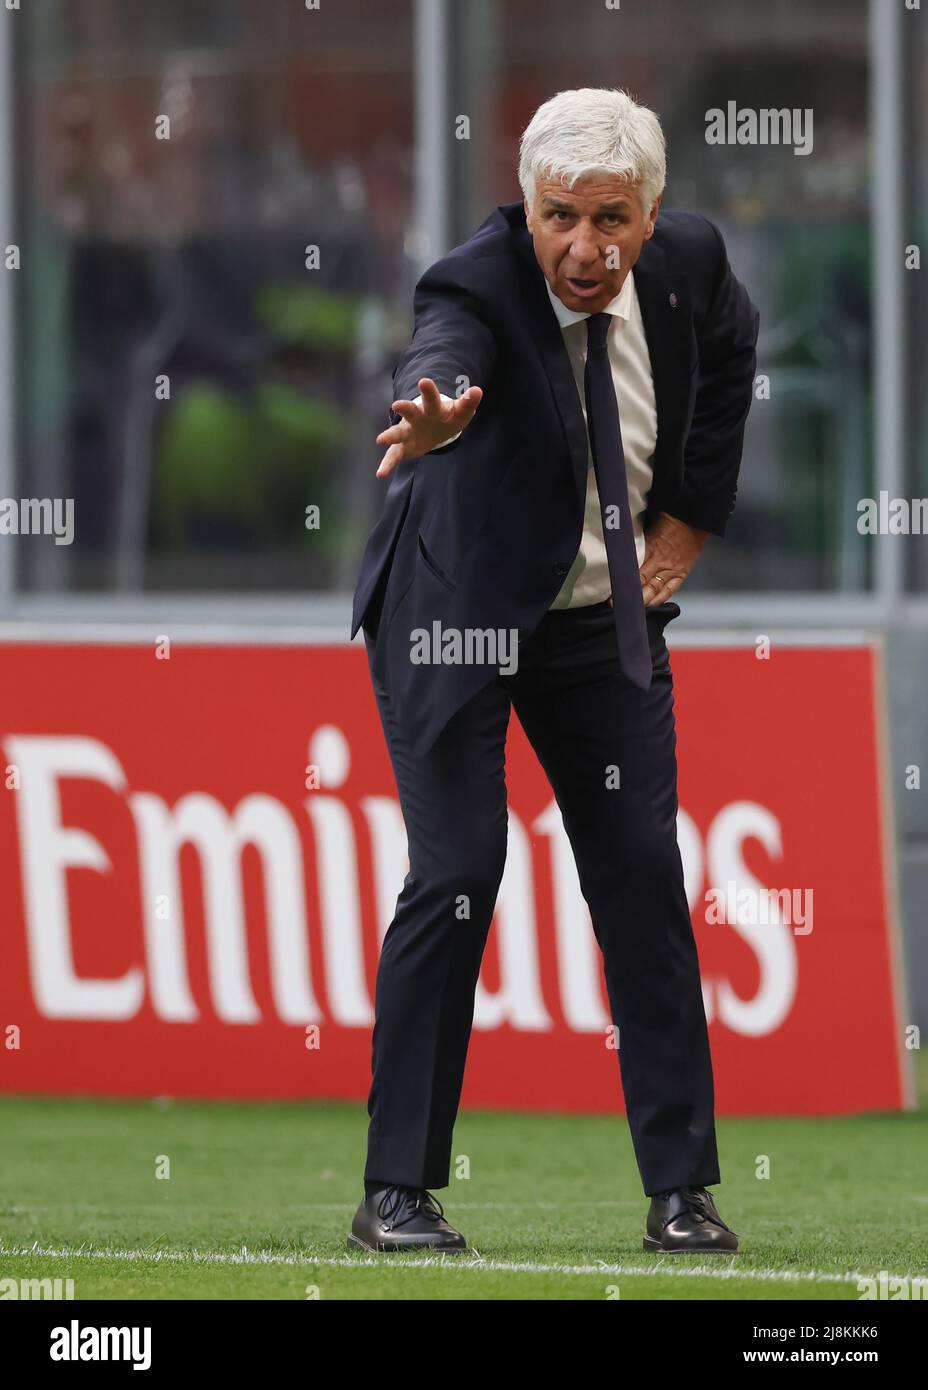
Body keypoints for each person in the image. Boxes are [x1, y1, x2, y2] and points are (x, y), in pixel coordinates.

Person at [347, 87, 759, 1256]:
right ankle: (396, 1196)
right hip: (457, 612)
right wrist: (433, 416)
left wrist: (690, 520)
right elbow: (443, 348)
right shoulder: (473, 284)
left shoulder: (688, 266)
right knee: (460, 869)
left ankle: (682, 1192)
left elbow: (732, 350)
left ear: (654, 211)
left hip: (593, 620)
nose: (585, 246)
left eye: (610, 217)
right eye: (558, 216)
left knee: (638, 873)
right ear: (524, 208)